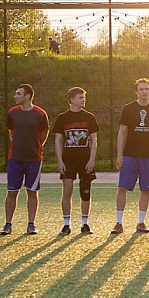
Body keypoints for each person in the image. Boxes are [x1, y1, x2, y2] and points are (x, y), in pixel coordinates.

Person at [113, 78, 149, 235]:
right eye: (141, 89)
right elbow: (122, 132)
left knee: (145, 189)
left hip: (147, 156)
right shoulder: (128, 109)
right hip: (130, 155)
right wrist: (119, 155)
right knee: (122, 188)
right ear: (136, 92)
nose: (144, 91)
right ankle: (119, 223)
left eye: (146, 89)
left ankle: (141, 222)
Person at [1, 83, 50, 236]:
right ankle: (8, 224)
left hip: (34, 159)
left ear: (27, 96)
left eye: (18, 93)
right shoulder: (12, 113)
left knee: (32, 192)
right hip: (15, 158)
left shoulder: (40, 114)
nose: (15, 96)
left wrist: (36, 146)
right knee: (12, 192)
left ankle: (31, 224)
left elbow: (44, 133)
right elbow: (11, 132)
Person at [52, 86, 99, 235]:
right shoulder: (62, 118)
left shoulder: (89, 117)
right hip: (69, 160)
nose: (83, 99)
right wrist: (60, 161)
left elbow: (94, 139)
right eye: (80, 97)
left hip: (85, 160)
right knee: (67, 190)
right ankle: (66, 224)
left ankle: (85, 223)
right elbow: (58, 140)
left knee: (85, 192)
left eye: (84, 97)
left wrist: (91, 160)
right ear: (71, 99)